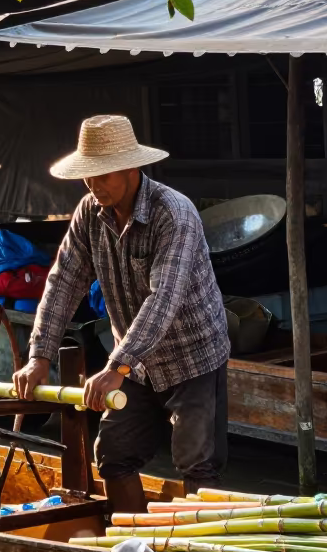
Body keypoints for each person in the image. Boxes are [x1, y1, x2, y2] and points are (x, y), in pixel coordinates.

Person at [12, 114, 230, 513]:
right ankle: (133, 548)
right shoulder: (89, 212)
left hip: (192, 357)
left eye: (103, 176)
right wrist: (39, 357)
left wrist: (117, 365)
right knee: (113, 453)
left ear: (132, 168)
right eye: (88, 177)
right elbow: (63, 282)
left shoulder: (173, 214)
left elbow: (163, 298)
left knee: (197, 465)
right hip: (135, 361)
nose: (94, 186)